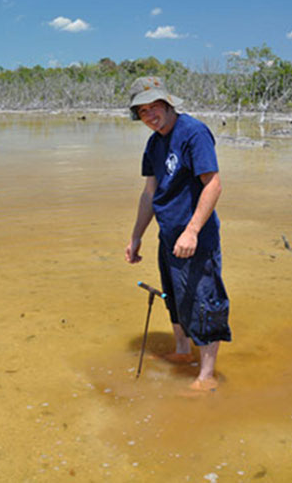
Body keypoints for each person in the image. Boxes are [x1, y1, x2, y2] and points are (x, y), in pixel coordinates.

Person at [124, 76, 231, 392]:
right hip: (168, 236)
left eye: (154, 106)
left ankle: (207, 376)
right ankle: (184, 353)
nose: (150, 115)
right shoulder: (154, 143)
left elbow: (213, 185)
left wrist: (192, 231)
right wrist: (136, 237)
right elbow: (149, 194)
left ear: (167, 103)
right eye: (142, 111)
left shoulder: (193, 133)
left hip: (195, 238)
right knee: (175, 298)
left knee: (204, 299)